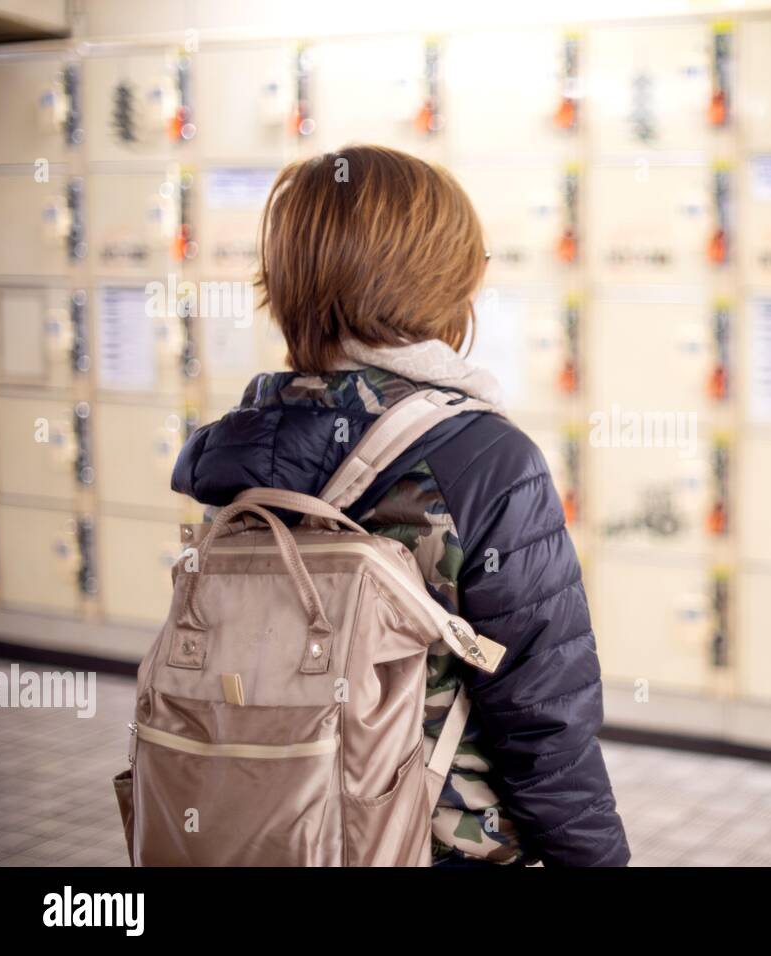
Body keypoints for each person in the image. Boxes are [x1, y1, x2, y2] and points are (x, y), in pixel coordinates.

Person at [172, 145, 630, 867]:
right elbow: (544, 722)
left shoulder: (239, 452)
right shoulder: (485, 460)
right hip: (427, 844)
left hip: (267, 832)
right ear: (441, 284)